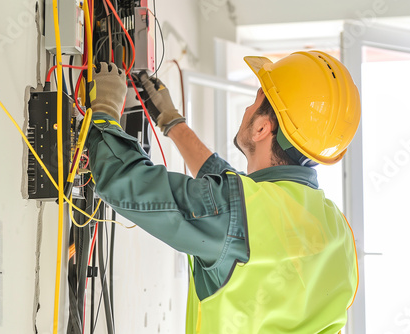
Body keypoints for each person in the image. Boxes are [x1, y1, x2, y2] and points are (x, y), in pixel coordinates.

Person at [87, 50, 361, 334]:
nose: (247, 109)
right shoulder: (340, 234)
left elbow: (121, 181)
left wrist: (105, 110)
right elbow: (230, 197)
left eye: (255, 101)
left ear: (262, 127)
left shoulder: (241, 210)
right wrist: (173, 122)